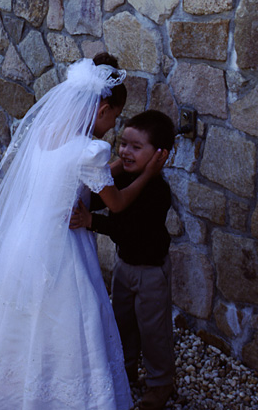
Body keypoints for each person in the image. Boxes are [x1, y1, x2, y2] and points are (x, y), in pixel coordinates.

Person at [0, 54, 167, 410]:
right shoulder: (91, 149)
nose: (112, 126)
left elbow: (77, 180)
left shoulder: (47, 134)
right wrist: (148, 174)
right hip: (60, 248)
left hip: (24, 239)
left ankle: (14, 393)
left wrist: (120, 165)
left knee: (27, 318)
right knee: (72, 320)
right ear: (102, 108)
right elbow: (117, 202)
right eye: (115, 117)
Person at [70, 110, 176, 410]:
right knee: (122, 322)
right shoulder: (125, 177)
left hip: (152, 272)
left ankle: (160, 382)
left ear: (159, 155)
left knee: (154, 330)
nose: (126, 151)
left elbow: (127, 227)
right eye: (124, 143)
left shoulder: (157, 191)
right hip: (124, 267)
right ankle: (126, 367)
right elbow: (105, 198)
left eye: (136, 147)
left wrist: (92, 221)